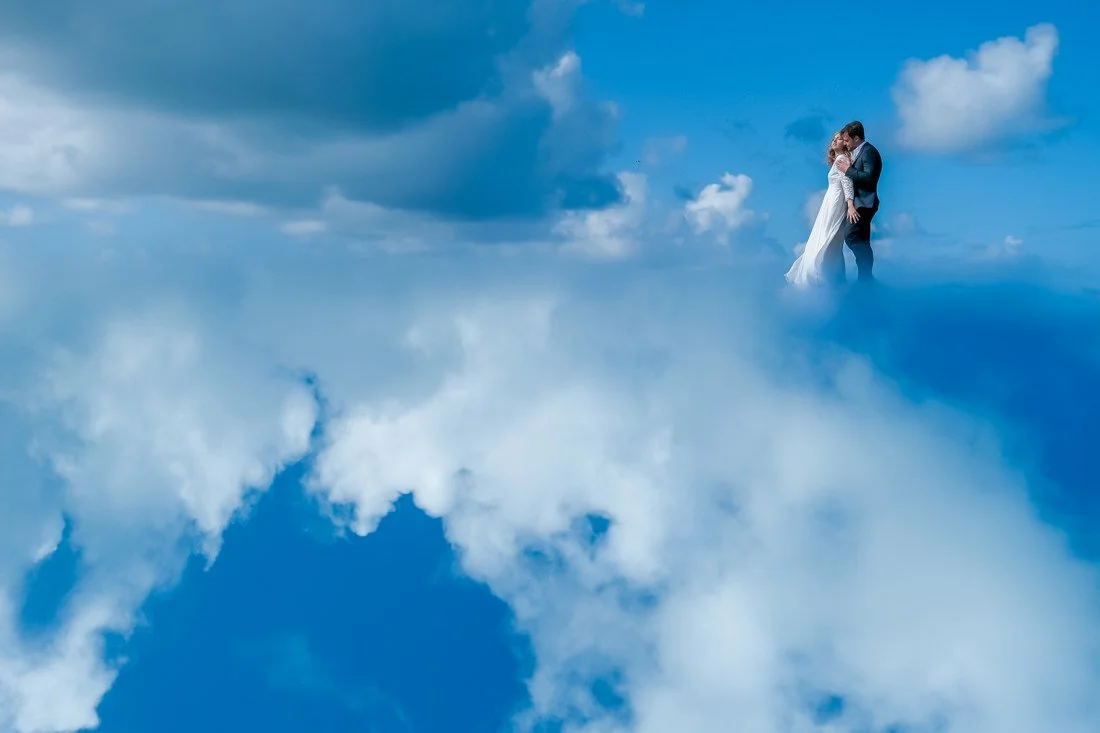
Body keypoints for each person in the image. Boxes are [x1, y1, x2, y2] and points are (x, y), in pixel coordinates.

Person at [785, 131, 858, 287]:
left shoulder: (842, 159)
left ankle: (821, 272)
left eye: (838, 139)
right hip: (830, 201)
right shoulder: (838, 160)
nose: (834, 141)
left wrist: (850, 205)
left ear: (844, 143)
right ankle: (825, 273)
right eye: (833, 139)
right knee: (824, 235)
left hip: (836, 201)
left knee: (828, 236)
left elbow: (847, 182)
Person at [834, 120, 882, 283]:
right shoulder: (858, 152)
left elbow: (869, 178)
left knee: (852, 236)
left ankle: (866, 276)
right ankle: (865, 277)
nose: (845, 144)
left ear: (856, 138)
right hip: (860, 203)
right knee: (861, 239)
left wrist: (848, 170)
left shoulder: (869, 152)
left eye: (847, 140)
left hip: (864, 203)